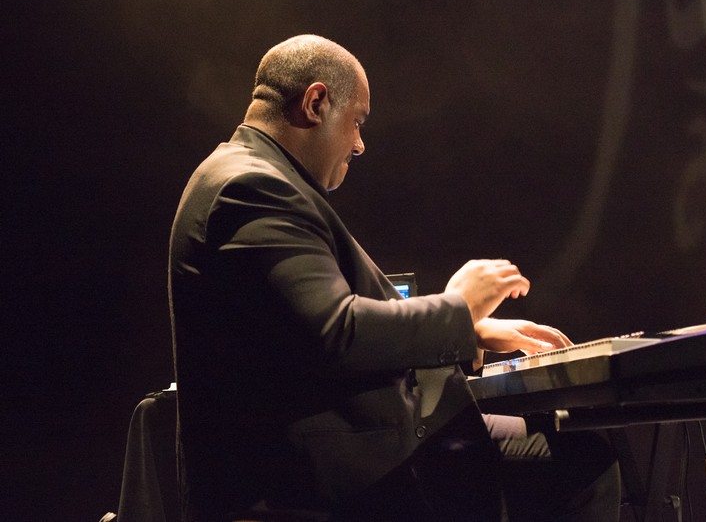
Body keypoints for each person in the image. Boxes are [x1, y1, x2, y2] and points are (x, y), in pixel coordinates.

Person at [168, 34, 620, 522]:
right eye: (357, 121)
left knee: (563, 454)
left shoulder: (251, 175)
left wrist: (470, 331)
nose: (359, 144)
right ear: (316, 103)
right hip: (312, 478)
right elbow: (338, 331)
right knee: (583, 463)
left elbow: (303, 331)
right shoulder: (253, 187)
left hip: (326, 459)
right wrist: (458, 308)